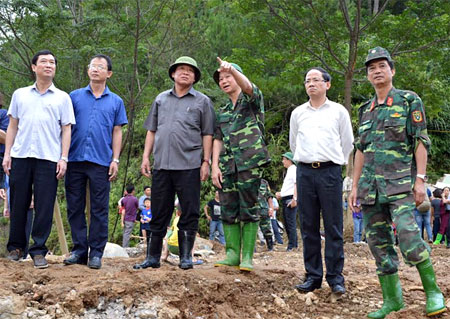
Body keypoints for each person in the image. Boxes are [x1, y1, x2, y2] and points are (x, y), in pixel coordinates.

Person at [349, 47, 445, 318]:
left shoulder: (409, 100)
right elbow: (360, 150)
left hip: (400, 185)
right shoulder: (364, 110)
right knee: (378, 245)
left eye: (382, 66)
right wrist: (355, 186)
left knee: (408, 235)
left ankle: (434, 292)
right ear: (367, 76)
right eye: (371, 68)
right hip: (370, 189)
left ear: (392, 70)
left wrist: (420, 180)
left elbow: (420, 141)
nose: (376, 71)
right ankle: (392, 299)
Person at [134, 56, 215, 270]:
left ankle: (185, 257)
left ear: (195, 77)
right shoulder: (161, 99)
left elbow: (208, 133)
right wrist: (145, 157)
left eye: (190, 70)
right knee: (159, 211)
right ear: (173, 73)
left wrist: (206, 161)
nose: (185, 72)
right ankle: (152, 257)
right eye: (181, 69)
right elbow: (152, 130)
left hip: (189, 164)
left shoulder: (202, 101)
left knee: (189, 211)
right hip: (162, 165)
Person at [3, 50, 75, 269]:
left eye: (52, 62)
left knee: (44, 205)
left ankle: (38, 250)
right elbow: (12, 126)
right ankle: (16, 248)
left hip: (48, 157)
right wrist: (7, 154)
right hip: (21, 155)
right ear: (34, 67)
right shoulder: (20, 94)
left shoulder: (63, 97)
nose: (48, 65)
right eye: (43, 62)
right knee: (18, 203)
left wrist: (63, 158)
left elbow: (66, 130)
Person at [290, 67, 353, 294]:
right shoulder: (298, 113)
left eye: (316, 80)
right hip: (305, 173)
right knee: (308, 226)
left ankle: (335, 277)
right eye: (307, 80)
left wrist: (334, 163)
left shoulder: (338, 112)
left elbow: (347, 143)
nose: (311, 84)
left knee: (333, 225)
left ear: (327, 84)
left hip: (330, 172)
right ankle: (313, 276)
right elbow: (293, 144)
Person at [63, 54, 127, 269]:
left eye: (100, 67)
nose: (95, 69)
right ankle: (79, 251)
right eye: (92, 66)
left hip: (101, 161)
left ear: (108, 73)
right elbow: (65, 127)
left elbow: (117, 131)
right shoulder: (74, 97)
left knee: (99, 208)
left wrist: (115, 159)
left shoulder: (116, 101)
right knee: (74, 207)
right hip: (74, 158)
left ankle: (96, 253)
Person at [211, 58, 271, 272]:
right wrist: (214, 166)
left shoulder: (252, 101)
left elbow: (248, 86)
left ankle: (247, 256)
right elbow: (217, 139)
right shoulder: (223, 111)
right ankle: (232, 253)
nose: (224, 81)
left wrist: (231, 69)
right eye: (221, 79)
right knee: (227, 208)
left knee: (250, 207)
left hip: (250, 162)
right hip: (227, 166)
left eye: (228, 76)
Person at [275, 152, 298, 251]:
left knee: (291, 223)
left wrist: (295, 199)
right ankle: (291, 244)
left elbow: (297, 184)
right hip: (286, 197)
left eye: (284, 159)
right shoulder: (289, 170)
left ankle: (293, 245)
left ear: (289, 160)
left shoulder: (293, 169)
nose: (282, 161)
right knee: (287, 223)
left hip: (290, 198)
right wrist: (281, 193)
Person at [258, 179, 275, 251]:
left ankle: (270, 247)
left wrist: (271, 208)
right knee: (250, 231)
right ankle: (252, 250)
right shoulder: (245, 180)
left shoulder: (264, 182)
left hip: (263, 210)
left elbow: (269, 196)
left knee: (267, 230)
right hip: (250, 210)